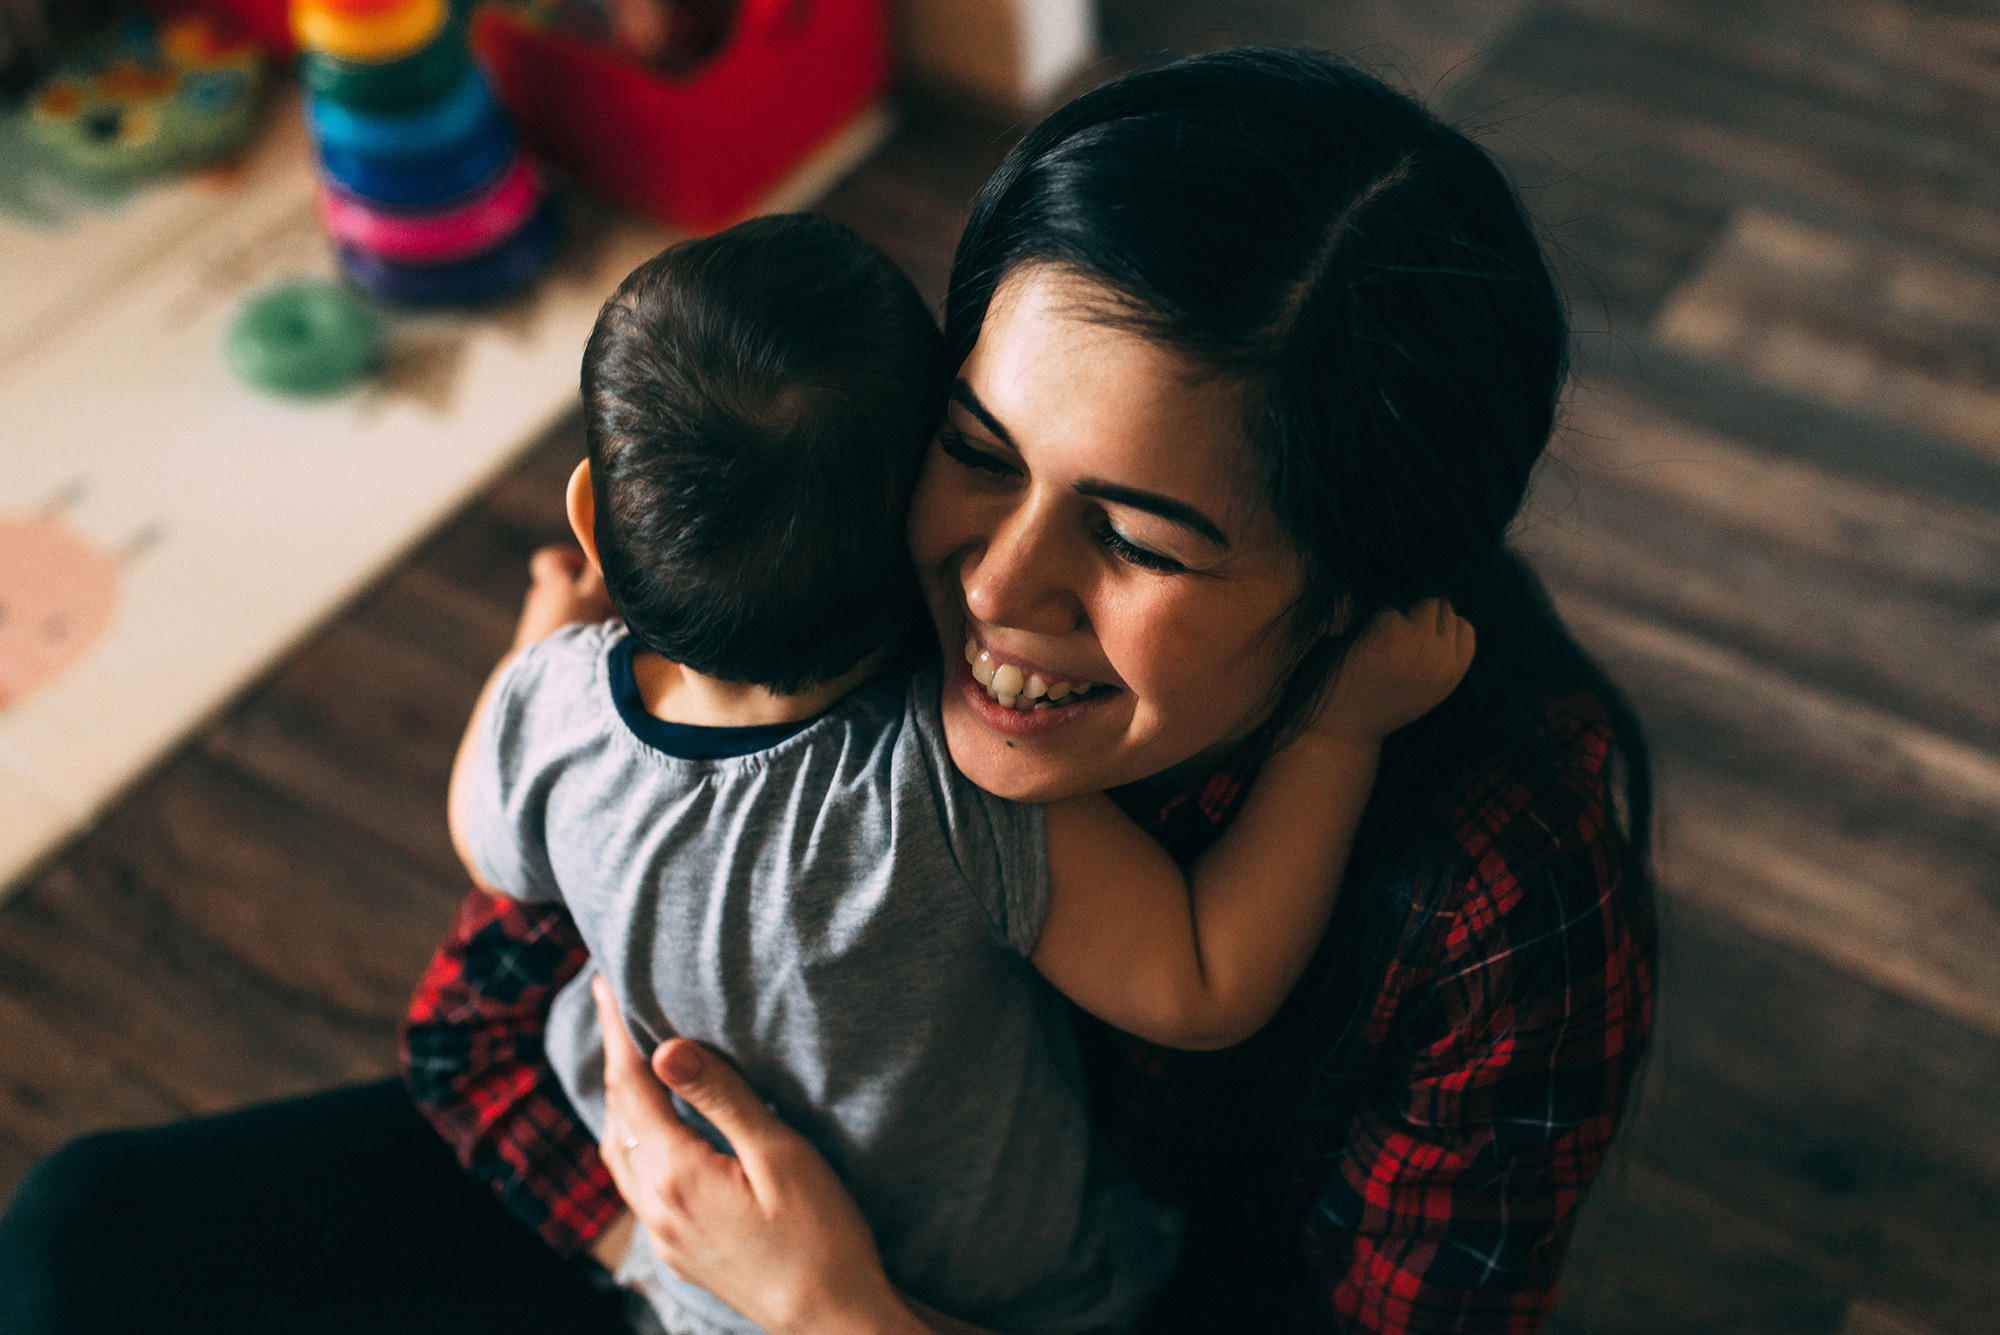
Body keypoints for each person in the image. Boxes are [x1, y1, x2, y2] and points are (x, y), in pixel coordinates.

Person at [0, 47, 1655, 1335]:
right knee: (92, 1239)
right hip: (692, 1237)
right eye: (978, 454)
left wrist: (836, 1309)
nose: (996, 588)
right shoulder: (839, 588)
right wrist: (677, 1240)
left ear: (1362, 592)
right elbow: (483, 1023)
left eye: (1139, 538)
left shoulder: (1496, 890)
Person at [454, 213, 1473, 1334]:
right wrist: (1337, 735)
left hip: (693, 1265)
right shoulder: (939, 785)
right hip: (1007, 1301)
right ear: (916, 520)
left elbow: (481, 840)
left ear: (593, 519)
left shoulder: (546, 714)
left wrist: (546, 643)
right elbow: (1200, 984)